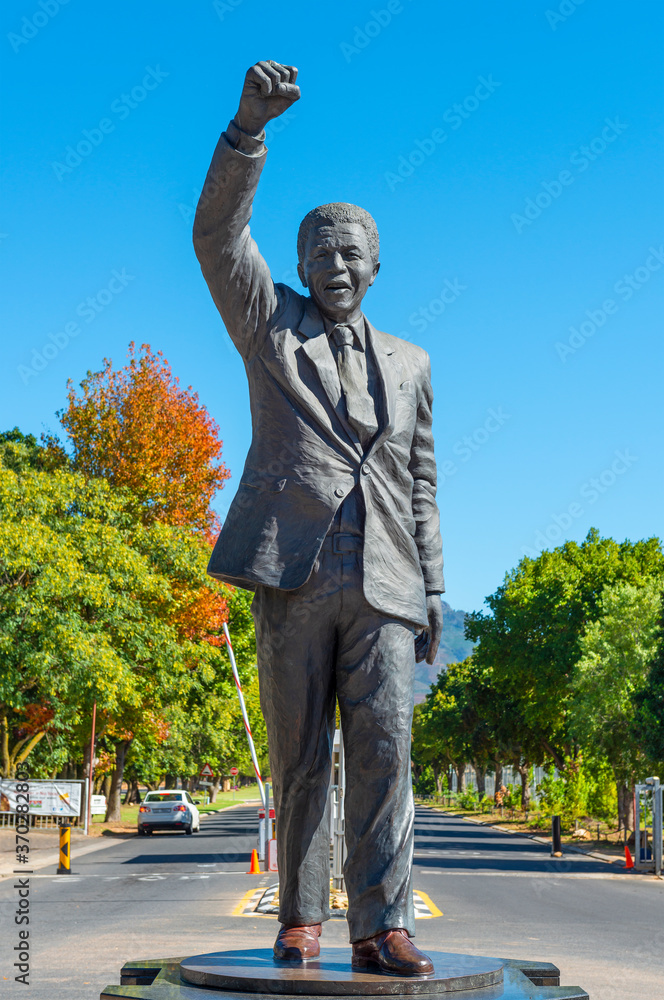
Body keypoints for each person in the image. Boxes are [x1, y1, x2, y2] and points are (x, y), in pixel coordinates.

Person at [194, 61, 444, 977]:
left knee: (387, 761)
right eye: (320, 252)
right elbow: (218, 237)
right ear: (299, 266)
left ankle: (382, 927)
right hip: (293, 573)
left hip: (386, 584)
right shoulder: (271, 328)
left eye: (351, 253)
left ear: (376, 266)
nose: (335, 266)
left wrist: (435, 596)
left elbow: (421, 484)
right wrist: (248, 132)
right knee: (301, 760)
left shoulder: (413, 363)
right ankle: (300, 920)